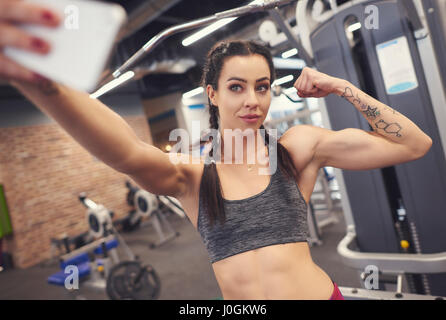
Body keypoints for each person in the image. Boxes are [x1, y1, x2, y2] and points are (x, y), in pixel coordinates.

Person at [0, 1, 432, 300]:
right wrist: (43, 83)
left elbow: (414, 144)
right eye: (237, 87)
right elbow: (126, 152)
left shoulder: (297, 148)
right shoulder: (191, 175)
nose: (253, 101)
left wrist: (343, 87)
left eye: (262, 88)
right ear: (212, 94)